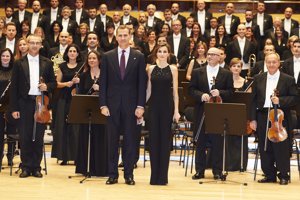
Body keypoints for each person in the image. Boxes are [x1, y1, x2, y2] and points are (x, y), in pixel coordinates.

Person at [99, 25, 147, 185]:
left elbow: (142, 84)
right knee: (111, 141)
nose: (123, 38)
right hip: (111, 106)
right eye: (120, 35)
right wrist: (103, 104)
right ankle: (112, 174)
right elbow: (103, 82)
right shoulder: (107, 56)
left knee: (130, 141)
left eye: (125, 35)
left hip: (132, 106)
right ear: (116, 37)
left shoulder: (139, 56)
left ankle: (129, 174)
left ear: (130, 36)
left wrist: (141, 105)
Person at [10, 34, 56, 178]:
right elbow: (14, 87)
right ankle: (25, 166)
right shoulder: (18, 63)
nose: (35, 45)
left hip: (40, 103)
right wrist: (14, 108)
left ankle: (36, 167)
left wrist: (46, 86)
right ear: (27, 44)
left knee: (38, 135)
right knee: (25, 135)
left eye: (38, 43)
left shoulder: (47, 63)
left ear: (41, 45)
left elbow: (53, 84)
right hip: (24, 103)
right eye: (32, 43)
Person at [249, 53, 298, 185]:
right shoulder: (258, 78)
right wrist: (252, 119)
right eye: (269, 62)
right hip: (262, 115)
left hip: (280, 115)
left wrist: (280, 100)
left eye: (274, 62)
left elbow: (295, 98)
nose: (271, 65)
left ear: (278, 63)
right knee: (265, 147)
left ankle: (283, 175)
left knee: (281, 146)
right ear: (265, 63)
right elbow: (252, 101)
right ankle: (269, 174)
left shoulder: (288, 79)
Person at [189, 47, 233, 180]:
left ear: (220, 57)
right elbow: (191, 89)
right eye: (209, 54)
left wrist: (220, 93)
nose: (210, 56)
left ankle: (217, 171)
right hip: (201, 110)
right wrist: (201, 95)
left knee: (217, 142)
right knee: (200, 142)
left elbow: (231, 92)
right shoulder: (197, 72)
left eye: (213, 55)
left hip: (218, 112)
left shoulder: (226, 73)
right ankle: (199, 170)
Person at [146, 44, 180, 185]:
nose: (161, 54)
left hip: (167, 107)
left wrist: (176, 111)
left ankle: (162, 178)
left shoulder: (173, 69)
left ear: (168, 54)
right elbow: (148, 90)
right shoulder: (150, 68)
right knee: (153, 141)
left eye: (164, 51)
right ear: (156, 54)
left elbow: (175, 93)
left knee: (165, 141)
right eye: (159, 51)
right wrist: (141, 106)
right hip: (153, 107)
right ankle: (154, 177)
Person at [75, 50, 107, 176]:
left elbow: (110, 91)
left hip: (101, 111)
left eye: (94, 58)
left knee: (101, 138)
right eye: (90, 58)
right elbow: (81, 94)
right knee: (85, 138)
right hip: (87, 111)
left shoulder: (105, 75)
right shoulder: (83, 76)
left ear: (99, 60)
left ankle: (100, 169)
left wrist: (101, 89)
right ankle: (85, 168)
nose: (92, 60)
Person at [51, 44, 83, 165]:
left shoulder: (82, 66)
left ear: (78, 53)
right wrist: (67, 84)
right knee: (62, 127)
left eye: (75, 51)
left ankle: (76, 156)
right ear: (67, 53)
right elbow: (56, 83)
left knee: (75, 128)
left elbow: (86, 81)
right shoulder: (61, 66)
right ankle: (63, 156)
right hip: (63, 99)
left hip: (77, 100)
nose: (72, 53)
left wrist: (79, 81)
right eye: (70, 51)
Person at [226, 58, 249, 171]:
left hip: (240, 115)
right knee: (227, 140)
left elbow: (248, 100)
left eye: (239, 66)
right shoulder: (225, 81)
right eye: (234, 66)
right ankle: (227, 164)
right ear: (230, 67)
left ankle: (240, 165)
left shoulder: (246, 82)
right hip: (227, 114)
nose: (236, 68)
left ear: (241, 68)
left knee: (239, 140)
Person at [0, 48, 17, 168]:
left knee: (12, 132)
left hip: (11, 106)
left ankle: (10, 157)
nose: (5, 58)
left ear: (11, 58)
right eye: (3, 56)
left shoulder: (15, 71)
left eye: (7, 56)